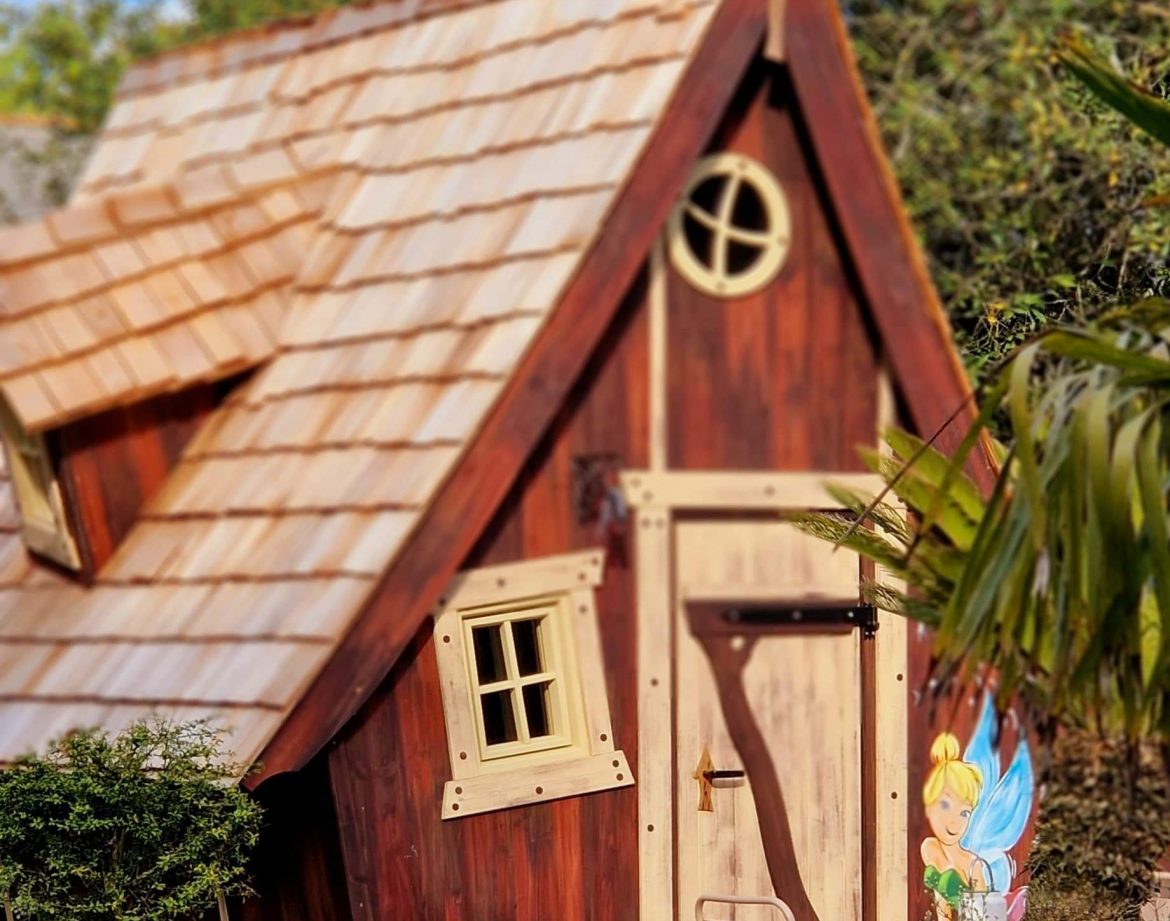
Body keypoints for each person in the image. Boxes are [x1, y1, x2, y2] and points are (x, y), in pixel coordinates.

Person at [922, 732, 987, 920]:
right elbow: (942, 905)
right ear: (930, 804)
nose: (954, 822)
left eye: (964, 813)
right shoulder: (930, 847)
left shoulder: (973, 865)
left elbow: (981, 917)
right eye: (945, 805)